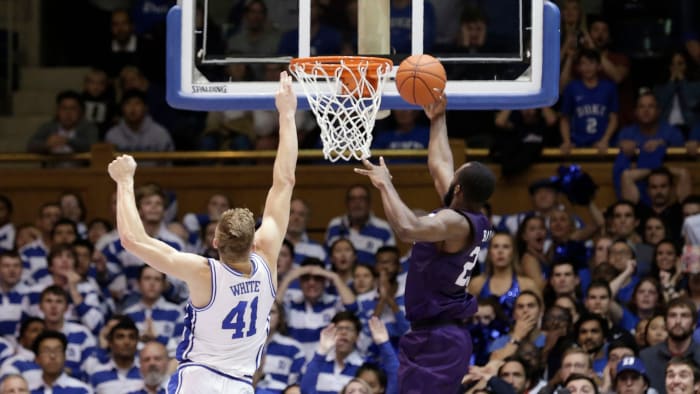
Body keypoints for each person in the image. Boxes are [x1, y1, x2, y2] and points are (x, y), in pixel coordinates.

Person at [106, 72, 297, 393]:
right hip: (241, 384)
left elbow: (132, 239)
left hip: (199, 379)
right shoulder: (267, 256)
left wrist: (124, 182)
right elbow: (285, 180)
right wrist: (287, 114)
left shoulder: (202, 273)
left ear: (214, 241)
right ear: (254, 240)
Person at [354, 94, 495, 393]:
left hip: (439, 339)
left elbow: (408, 228)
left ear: (457, 188)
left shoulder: (455, 223)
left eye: (457, 171)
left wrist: (385, 184)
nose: (451, 169)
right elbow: (439, 164)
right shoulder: (467, 213)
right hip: (435, 335)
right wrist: (438, 119)